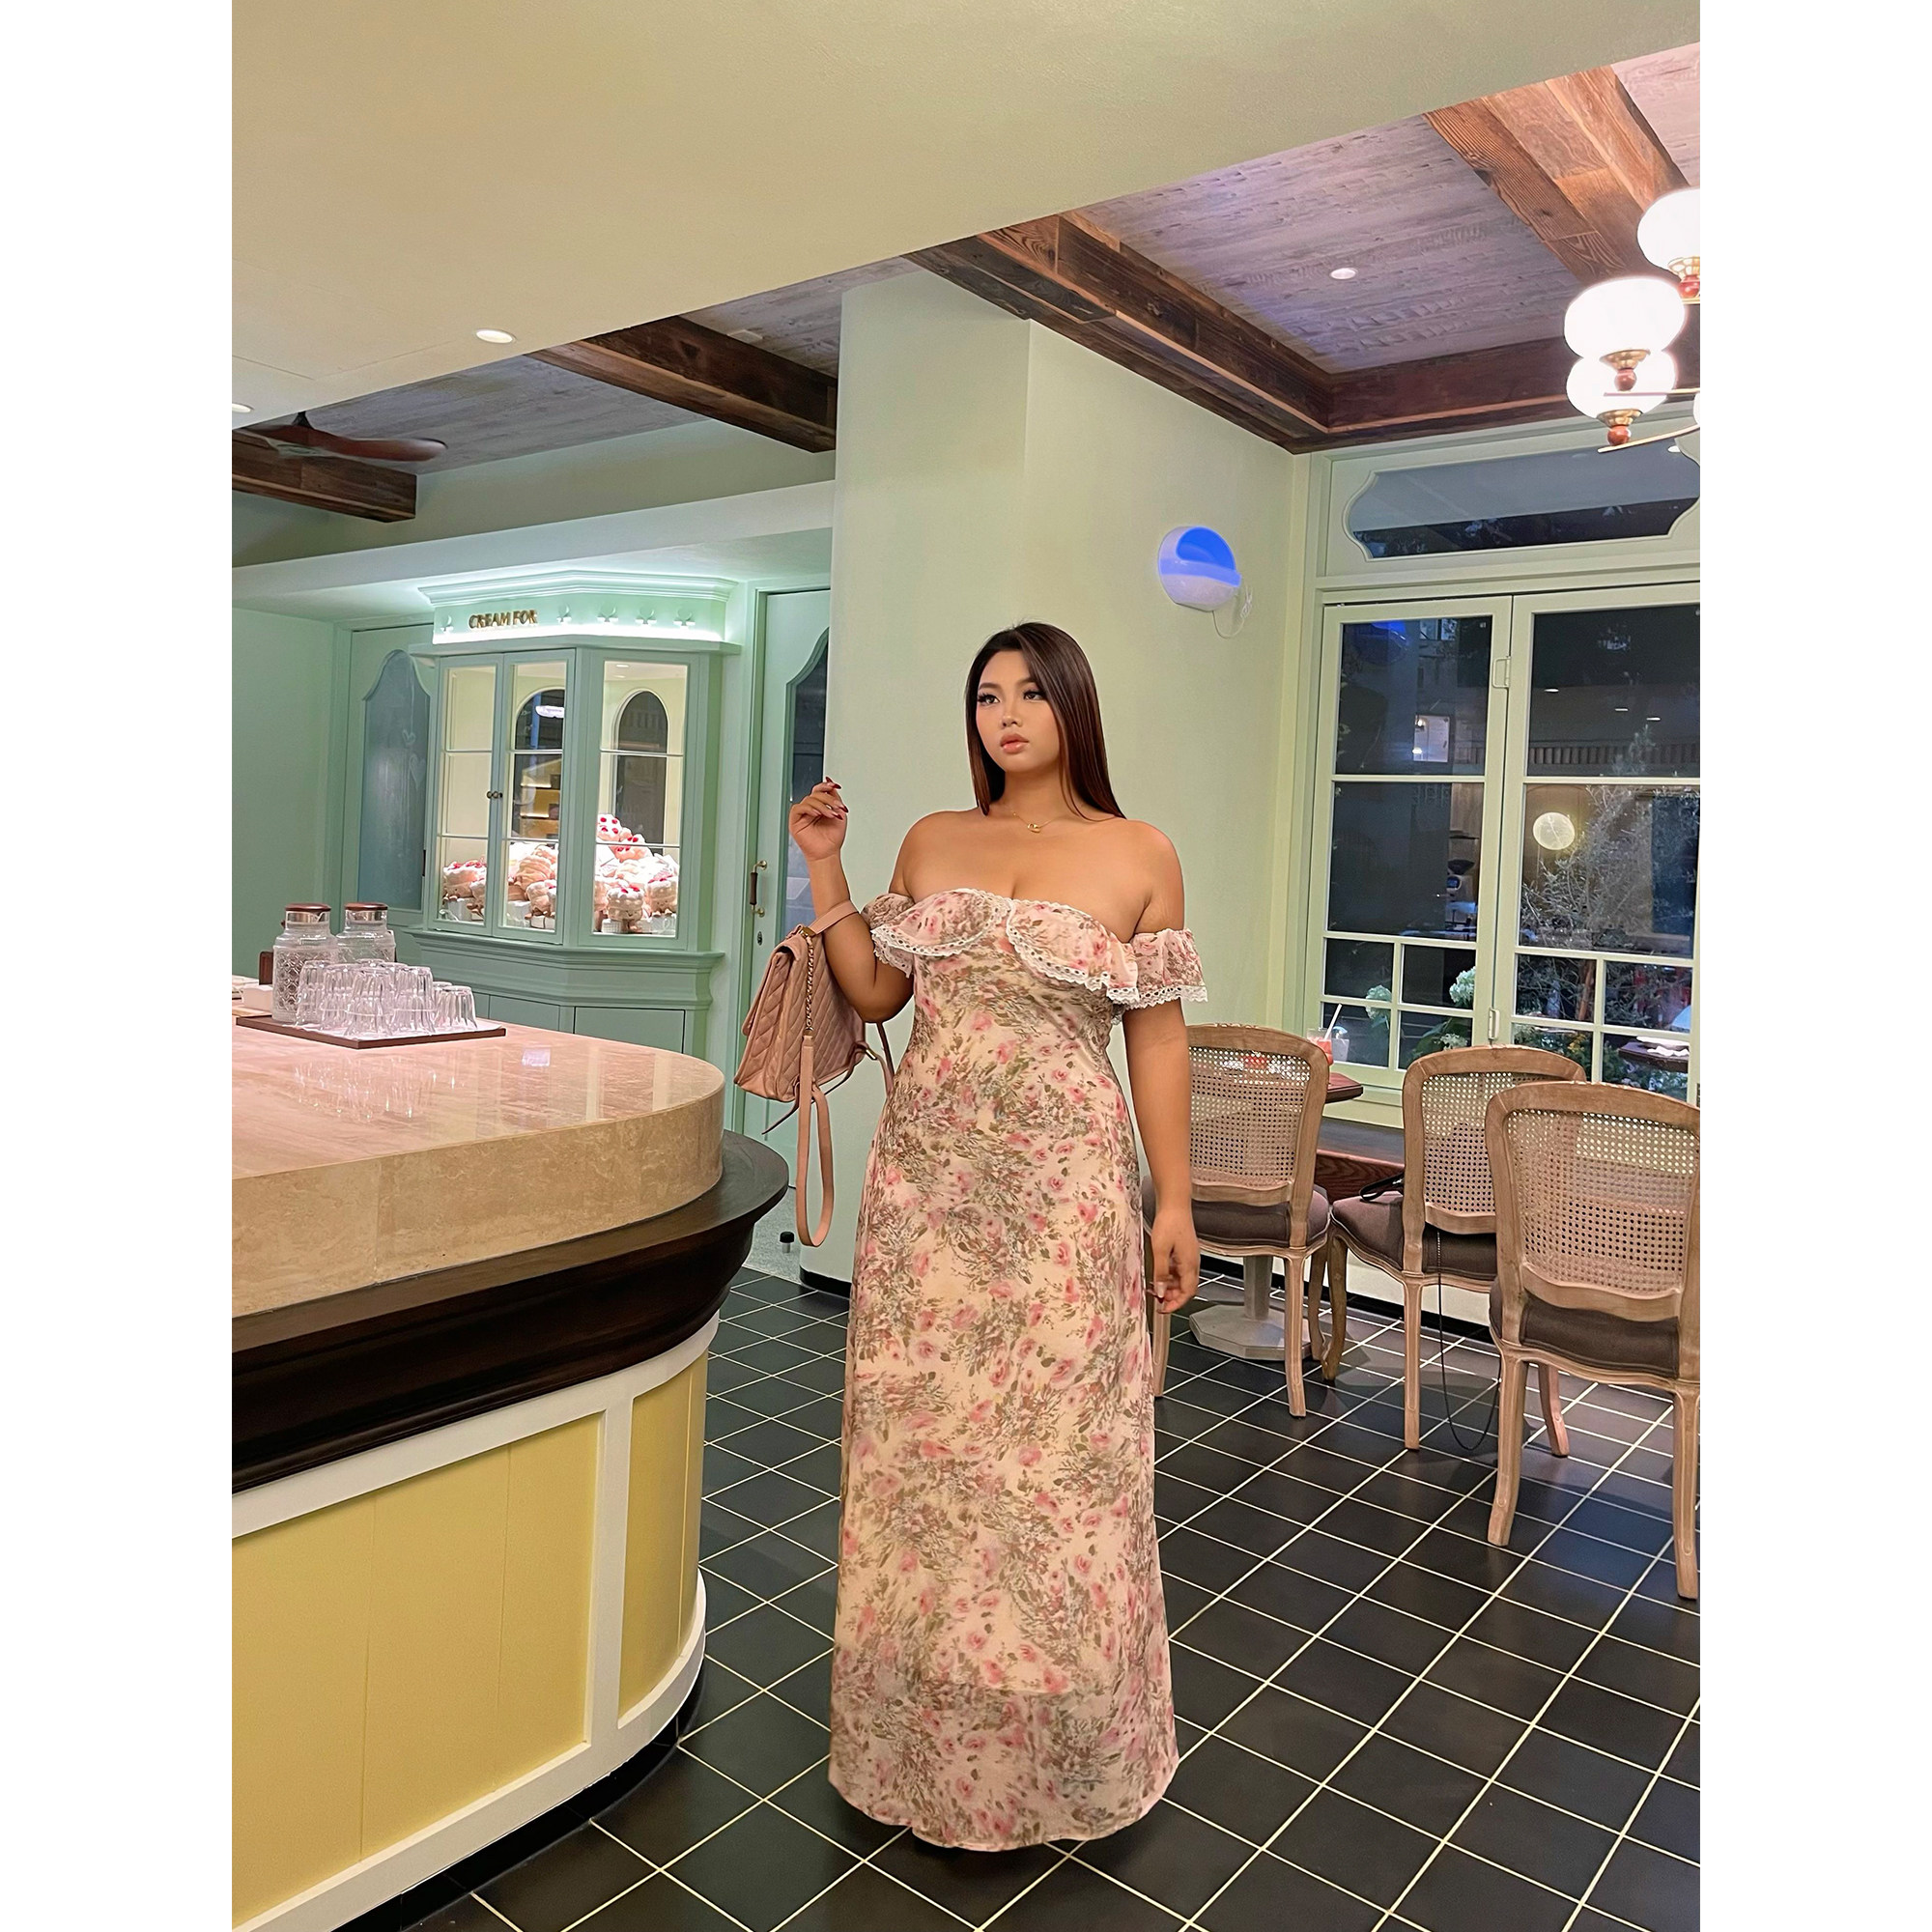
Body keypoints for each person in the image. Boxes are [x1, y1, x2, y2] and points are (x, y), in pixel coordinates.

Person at [787, 620, 1206, 1851]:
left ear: (1073, 704)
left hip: (1066, 1193)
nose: (1005, 714)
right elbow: (877, 993)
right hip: (927, 1190)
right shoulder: (932, 839)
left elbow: (1157, 1034)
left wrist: (1171, 1198)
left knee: (1063, 1464)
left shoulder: (1138, 852)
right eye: (985, 695)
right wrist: (826, 870)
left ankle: (1065, 1754)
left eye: (1028, 692)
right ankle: (917, 1742)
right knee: (923, 1459)